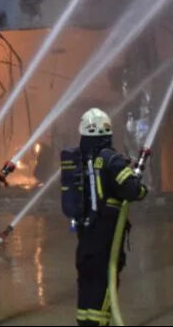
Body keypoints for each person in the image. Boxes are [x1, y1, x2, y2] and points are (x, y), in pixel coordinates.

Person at [61, 108, 148, 326]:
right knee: (103, 288)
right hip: (106, 238)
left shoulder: (78, 159)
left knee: (87, 287)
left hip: (85, 237)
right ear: (108, 133)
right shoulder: (111, 159)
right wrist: (142, 188)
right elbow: (132, 190)